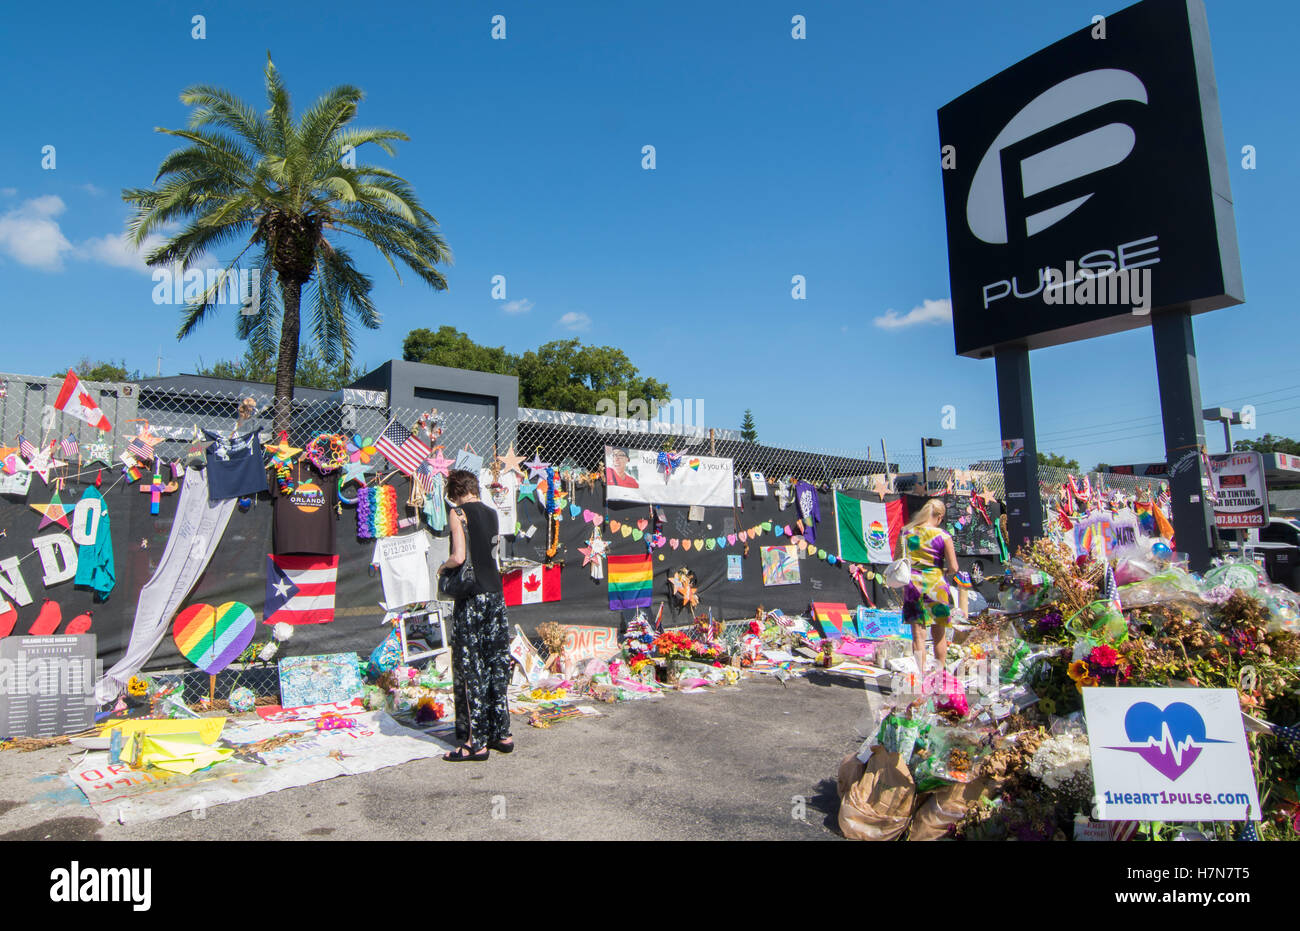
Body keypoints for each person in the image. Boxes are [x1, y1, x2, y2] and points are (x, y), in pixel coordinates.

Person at [437, 469, 513, 761]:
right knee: (496, 662)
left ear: (454, 491)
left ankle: (474, 742)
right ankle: (501, 733)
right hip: (495, 594)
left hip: (471, 596)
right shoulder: (492, 512)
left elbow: (458, 556)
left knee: (471, 666)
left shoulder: (459, 513)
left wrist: (442, 568)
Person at [896, 498, 967, 679]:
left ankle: (921, 679)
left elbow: (897, 559)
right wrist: (942, 569)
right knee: (939, 632)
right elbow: (954, 567)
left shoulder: (907, 533)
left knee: (918, 635)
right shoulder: (943, 536)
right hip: (936, 583)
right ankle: (940, 676)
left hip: (913, 584)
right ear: (940, 516)